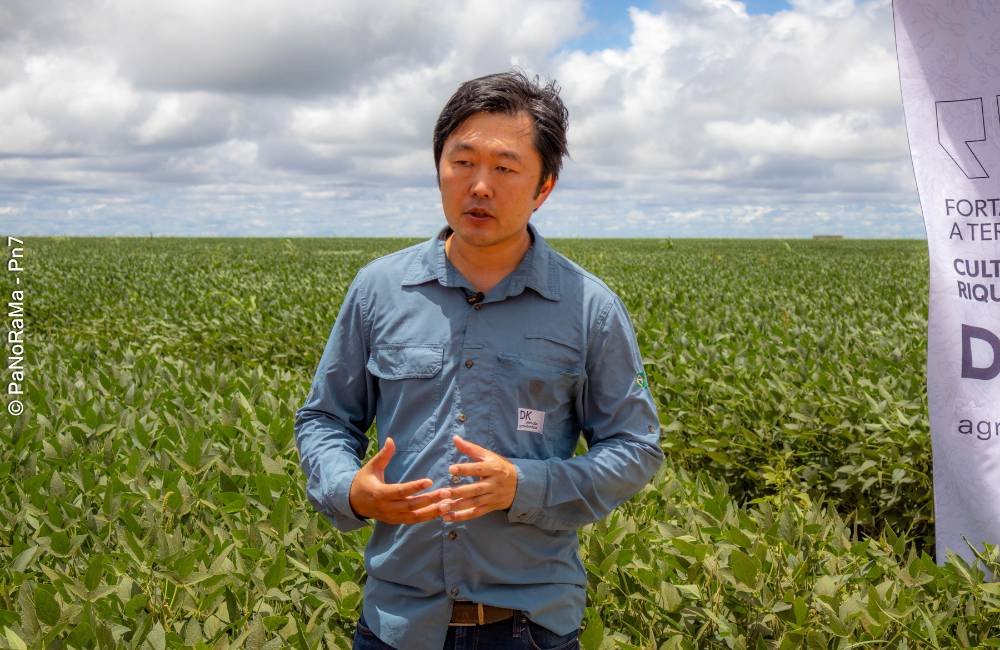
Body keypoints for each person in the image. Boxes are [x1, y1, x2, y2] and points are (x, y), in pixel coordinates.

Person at [294, 70, 664, 650]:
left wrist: (525, 484)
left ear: (544, 186)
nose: (480, 186)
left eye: (506, 167)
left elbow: (636, 448)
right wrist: (349, 489)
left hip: (531, 626)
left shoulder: (589, 307)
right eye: (462, 162)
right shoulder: (378, 290)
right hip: (398, 622)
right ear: (438, 168)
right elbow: (325, 419)